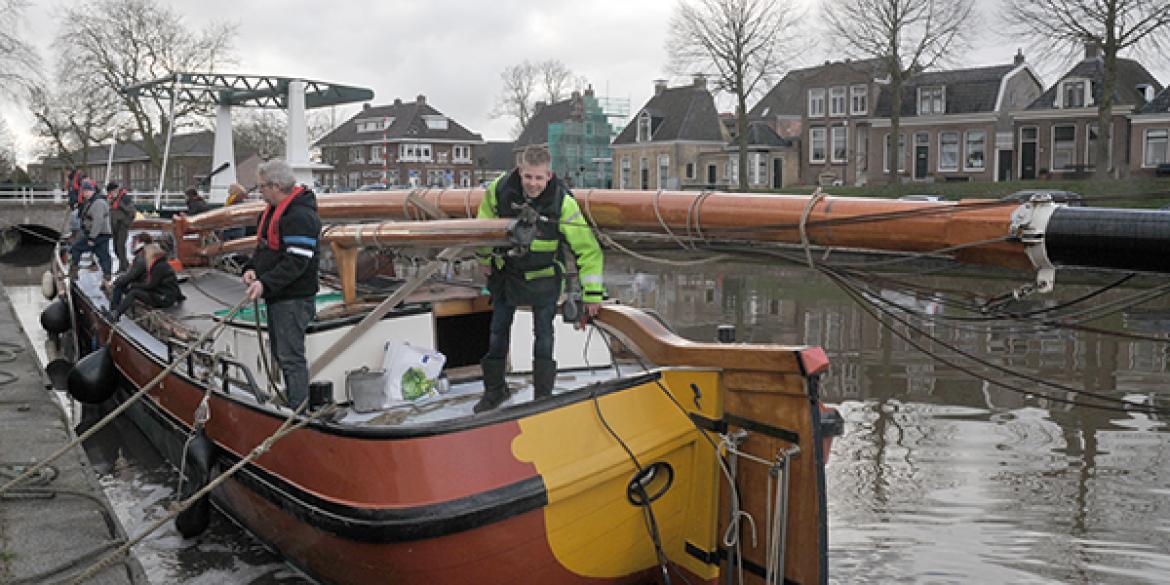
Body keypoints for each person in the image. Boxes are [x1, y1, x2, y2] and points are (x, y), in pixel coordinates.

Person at [473, 145, 604, 413]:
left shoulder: (562, 202)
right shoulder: (499, 189)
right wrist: (484, 258)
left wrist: (592, 294)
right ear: (520, 172)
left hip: (544, 278)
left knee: (543, 335)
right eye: (528, 177)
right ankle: (495, 391)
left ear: (549, 175)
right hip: (506, 275)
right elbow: (483, 224)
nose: (533, 184)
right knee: (497, 333)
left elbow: (587, 249)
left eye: (539, 178)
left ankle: (542, 396)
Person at [242, 160, 321, 409]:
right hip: (279, 295)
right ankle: (294, 403)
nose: (259, 191)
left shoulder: (300, 217)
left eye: (262, 186)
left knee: (290, 357)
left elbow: (296, 262)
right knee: (281, 353)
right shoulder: (272, 213)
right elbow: (265, 249)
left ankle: (298, 411)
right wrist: (251, 269)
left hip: (294, 299)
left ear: (276, 186)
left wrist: (265, 284)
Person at [111, 243, 181, 319]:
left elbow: (150, 285)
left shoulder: (159, 267)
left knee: (134, 293)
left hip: (163, 298)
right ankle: (115, 311)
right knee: (131, 289)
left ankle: (116, 314)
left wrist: (133, 285)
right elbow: (173, 284)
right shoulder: (161, 264)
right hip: (162, 295)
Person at [69, 181, 113, 281]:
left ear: (92, 191)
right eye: (83, 192)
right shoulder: (92, 201)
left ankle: (74, 272)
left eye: (86, 191)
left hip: (98, 235)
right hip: (99, 235)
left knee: (76, 248)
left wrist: (92, 238)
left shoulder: (98, 203)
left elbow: (98, 221)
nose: (84, 194)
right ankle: (107, 276)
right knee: (103, 255)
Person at [108, 232, 154, 309]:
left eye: (134, 242)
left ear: (140, 243)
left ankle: (113, 309)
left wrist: (115, 282)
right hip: (149, 283)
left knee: (120, 285)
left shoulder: (141, 257)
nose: (132, 244)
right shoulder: (150, 252)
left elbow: (131, 276)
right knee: (122, 278)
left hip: (146, 287)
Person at [108, 182, 136, 272]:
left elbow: (132, 213)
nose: (110, 194)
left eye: (111, 192)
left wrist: (125, 223)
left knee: (120, 246)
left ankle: (123, 267)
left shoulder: (125, 198)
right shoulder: (112, 199)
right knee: (115, 248)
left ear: (115, 190)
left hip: (122, 225)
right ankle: (125, 264)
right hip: (114, 226)